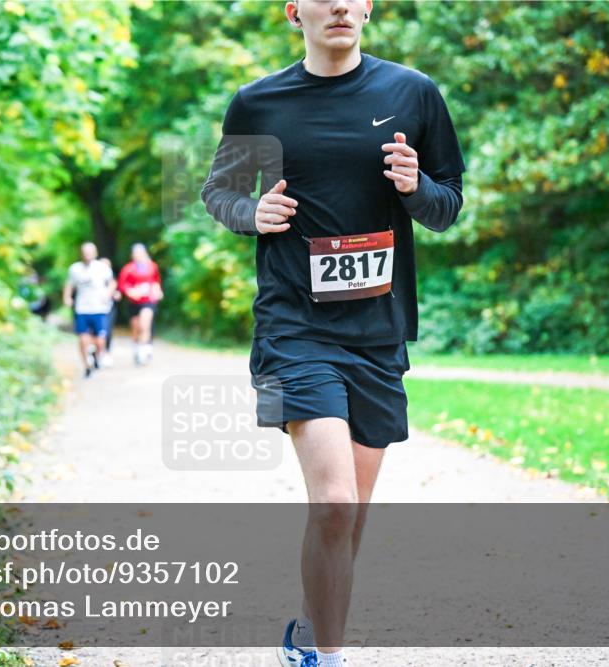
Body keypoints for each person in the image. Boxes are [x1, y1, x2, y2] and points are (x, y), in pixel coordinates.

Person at [199, 1, 466, 665]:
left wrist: (415, 189)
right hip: (294, 326)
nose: (341, 5)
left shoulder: (413, 93)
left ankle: (310, 628)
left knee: (350, 516)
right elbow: (219, 193)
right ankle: (330, 657)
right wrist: (250, 211)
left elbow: (448, 205)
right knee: (336, 503)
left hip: (378, 332)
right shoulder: (258, 102)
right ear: (296, 11)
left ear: (369, 7)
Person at [63, 242, 116, 378]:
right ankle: (86, 366)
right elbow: (69, 285)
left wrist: (108, 293)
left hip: (99, 308)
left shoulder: (102, 268)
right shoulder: (75, 269)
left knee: (100, 341)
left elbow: (112, 282)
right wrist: (67, 297)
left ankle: (95, 354)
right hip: (82, 309)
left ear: (95, 253)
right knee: (82, 339)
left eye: (90, 251)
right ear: (81, 253)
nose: (87, 254)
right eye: (85, 251)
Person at [117, 243, 163, 365]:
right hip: (133, 302)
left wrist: (157, 291)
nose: (139, 255)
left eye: (141, 252)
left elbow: (156, 282)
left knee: (145, 324)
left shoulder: (152, 266)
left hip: (149, 301)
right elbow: (122, 285)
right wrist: (131, 292)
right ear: (132, 255)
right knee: (136, 328)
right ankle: (137, 348)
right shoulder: (128, 269)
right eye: (136, 253)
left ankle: (145, 350)